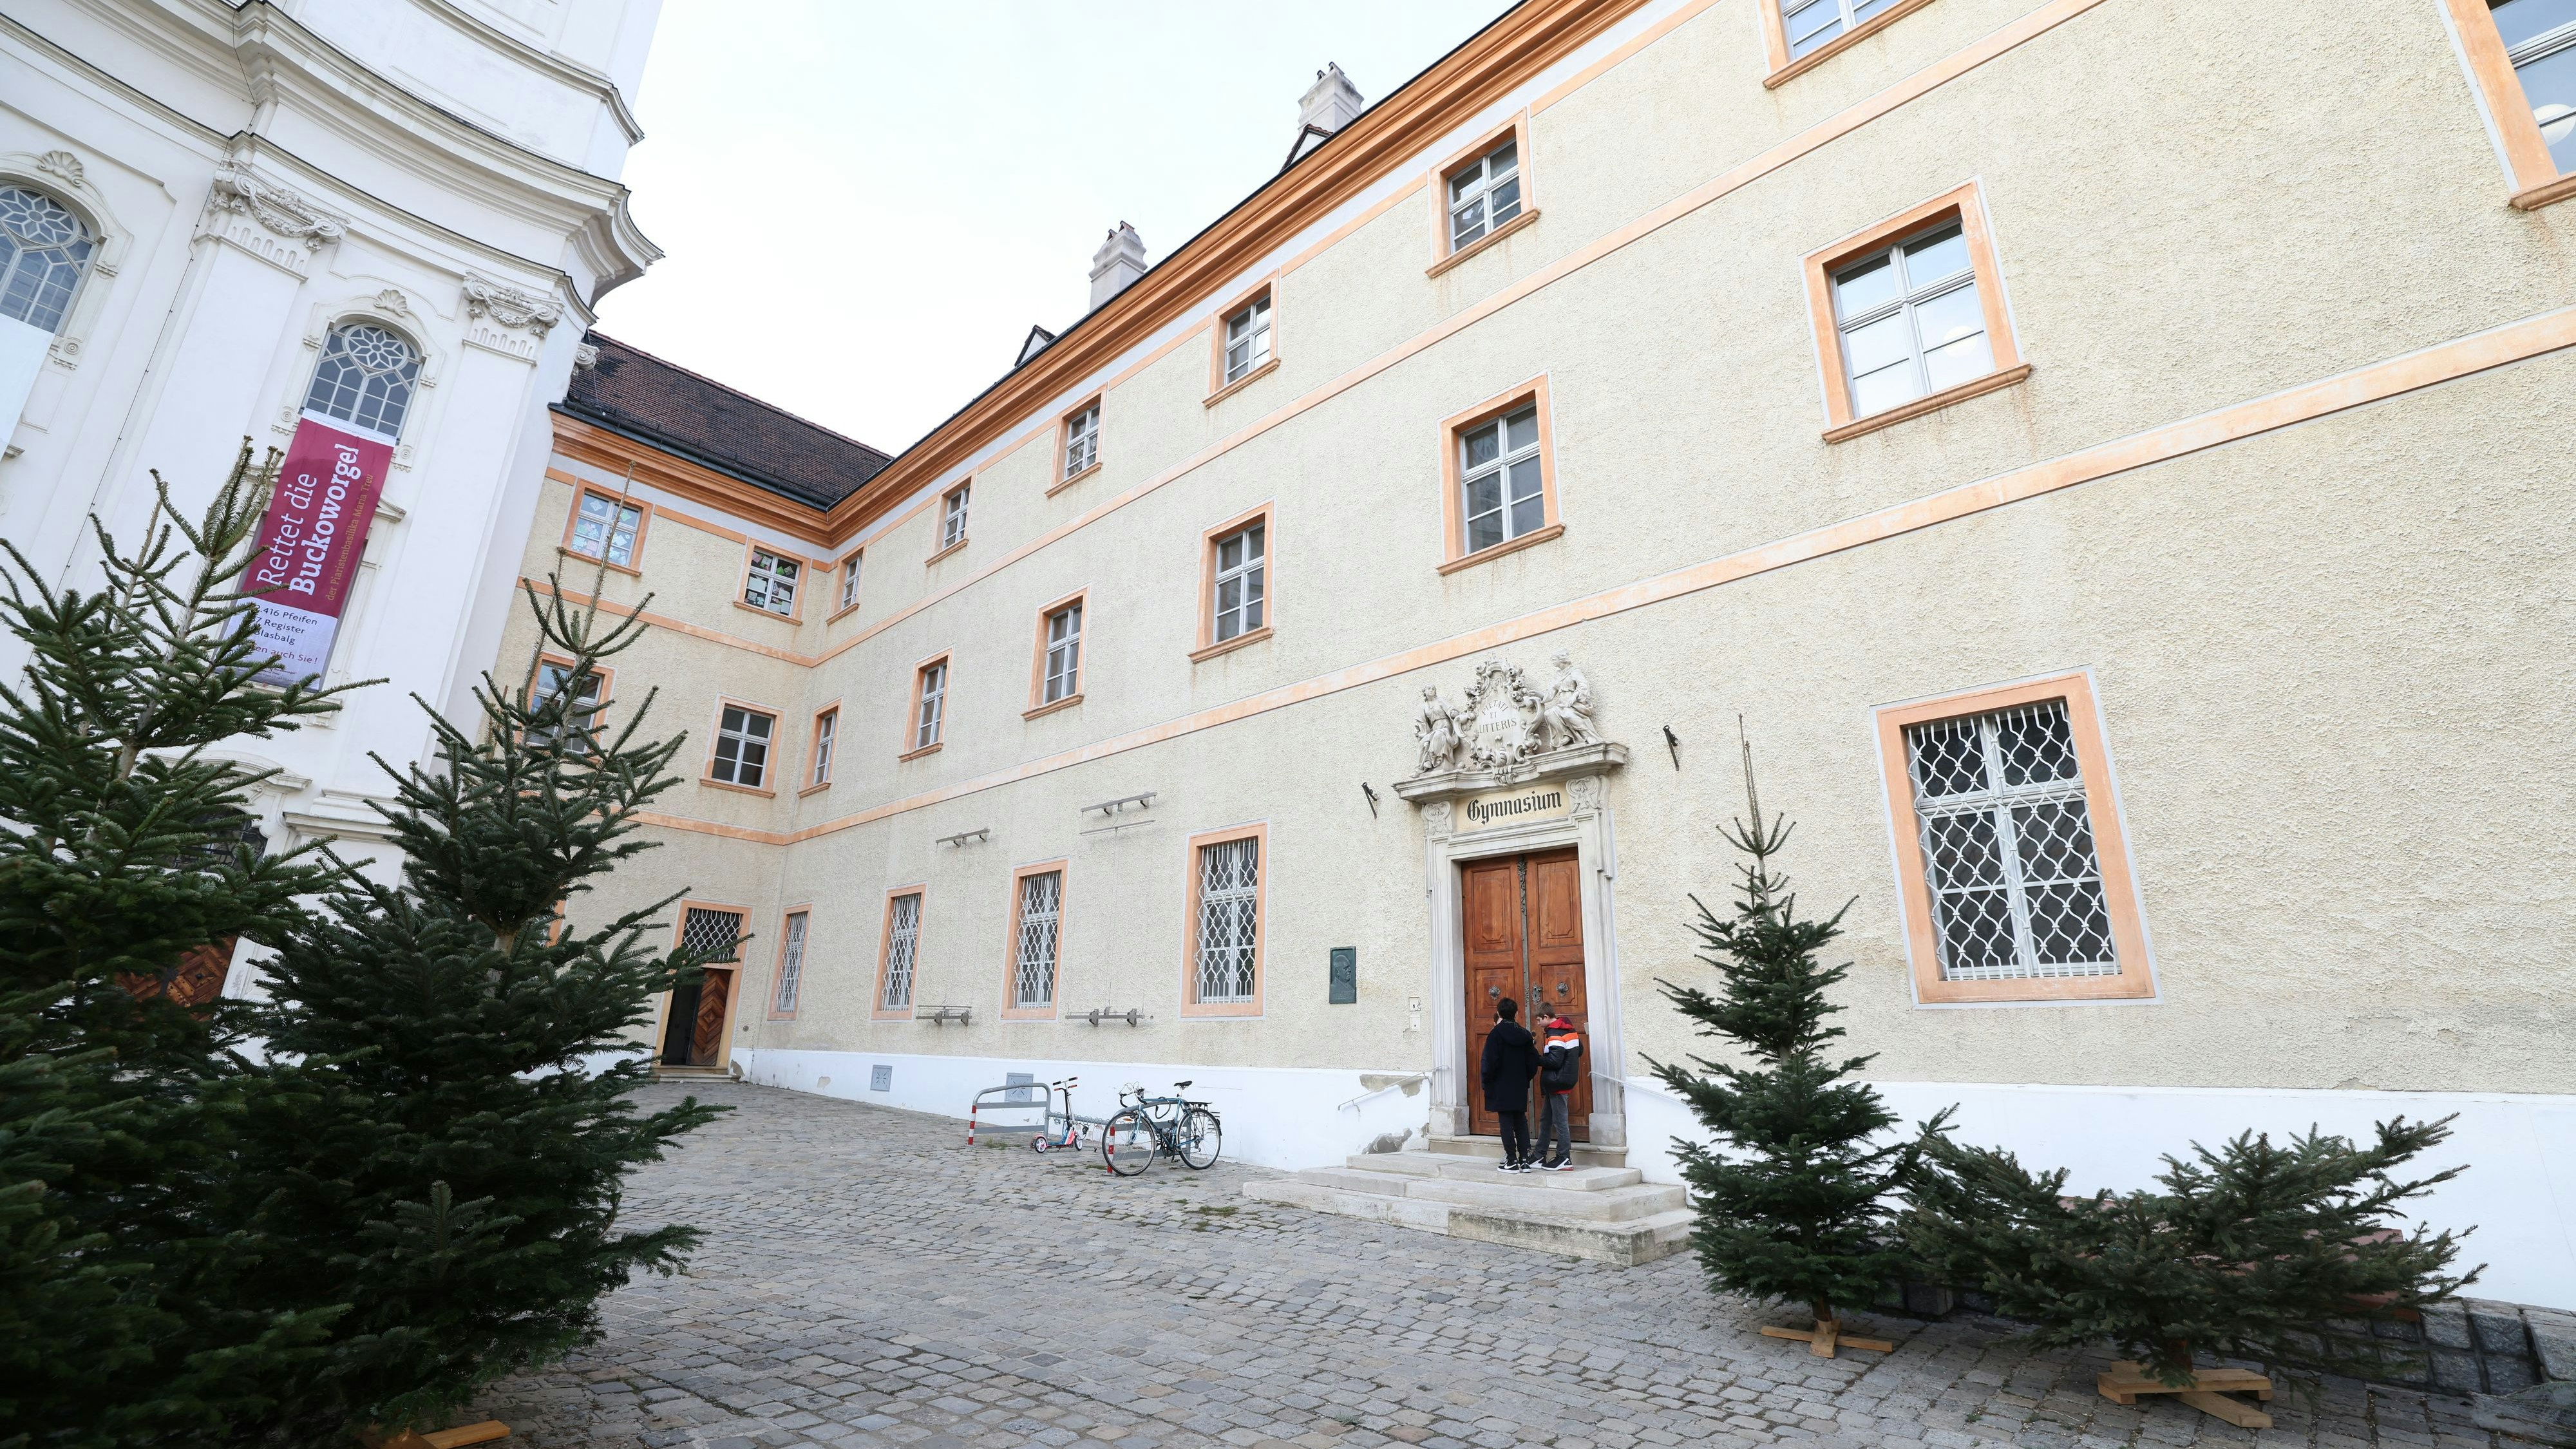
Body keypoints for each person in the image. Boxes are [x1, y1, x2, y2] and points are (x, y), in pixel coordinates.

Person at [1478, 997, 1540, 1171]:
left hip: (1500, 1084)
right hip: (1519, 1084)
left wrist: (1487, 1081)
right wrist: (1525, 1078)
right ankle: (1525, 1160)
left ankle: (1511, 1161)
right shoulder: (1526, 1034)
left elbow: (1489, 1062)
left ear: (1498, 1013)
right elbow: (1533, 1061)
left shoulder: (1496, 1034)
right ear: (1517, 1013)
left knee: (1506, 1121)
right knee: (1520, 1120)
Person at [1536, 1013, 1584, 1171]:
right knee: (1546, 1119)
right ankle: (1539, 1155)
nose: (1537, 1023)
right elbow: (1580, 1050)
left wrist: (1536, 1058)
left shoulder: (1555, 1034)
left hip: (1558, 1082)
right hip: (1559, 1081)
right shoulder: (1570, 1031)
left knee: (1560, 1121)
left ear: (1546, 1017)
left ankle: (1564, 1157)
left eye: (1538, 1020)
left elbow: (1554, 1061)